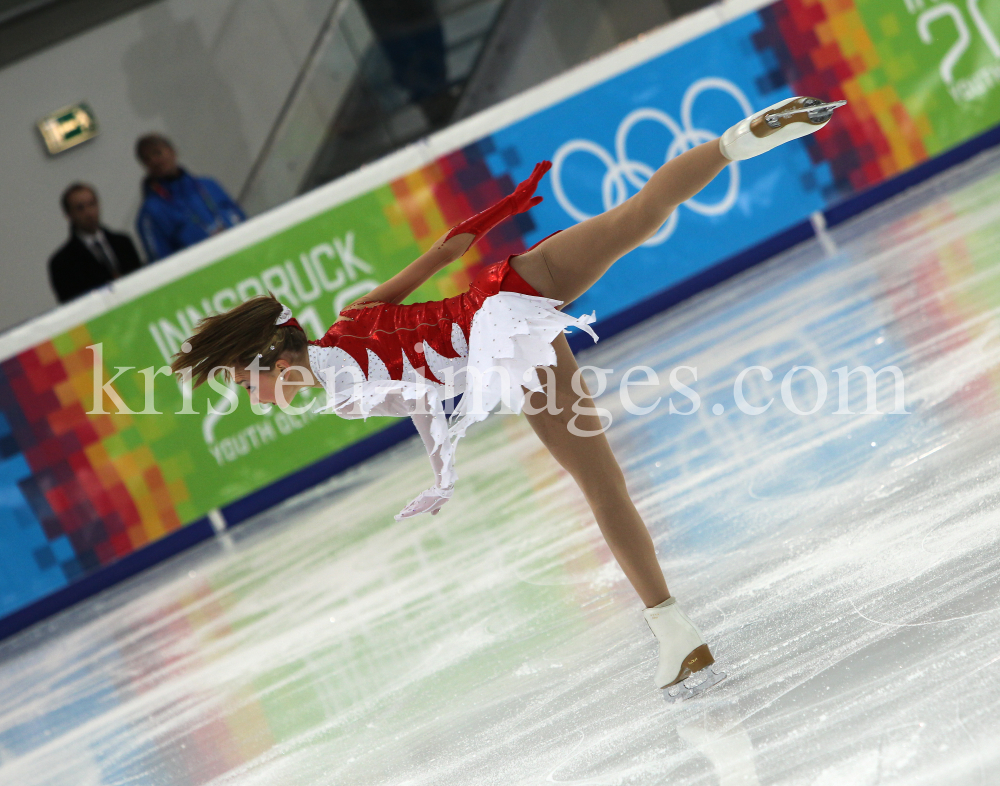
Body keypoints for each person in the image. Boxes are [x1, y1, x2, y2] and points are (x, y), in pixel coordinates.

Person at [171, 97, 844, 698]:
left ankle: (674, 630)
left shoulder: (341, 389)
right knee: (639, 213)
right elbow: (443, 253)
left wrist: (443, 470)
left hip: (504, 343)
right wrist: (505, 208)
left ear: (269, 358)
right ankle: (743, 137)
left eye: (243, 381)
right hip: (512, 283)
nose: (252, 397)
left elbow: (426, 400)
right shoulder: (349, 318)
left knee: (601, 488)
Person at [134, 133, 245, 261]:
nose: (155, 161)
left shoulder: (209, 185)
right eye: (147, 159)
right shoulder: (151, 213)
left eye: (157, 153)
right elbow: (160, 262)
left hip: (243, 256)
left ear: (172, 151)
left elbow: (241, 218)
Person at [48, 183, 143, 304]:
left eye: (92, 204)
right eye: (80, 208)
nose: (89, 213)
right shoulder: (62, 263)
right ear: (68, 215)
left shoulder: (123, 242)